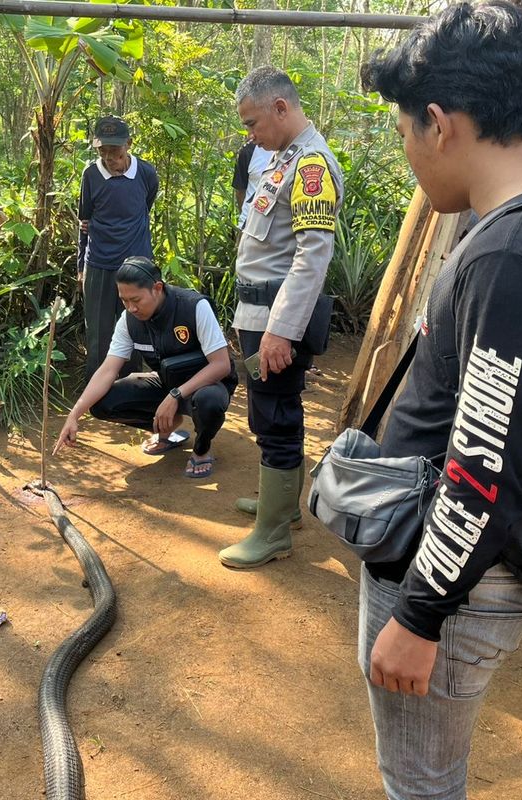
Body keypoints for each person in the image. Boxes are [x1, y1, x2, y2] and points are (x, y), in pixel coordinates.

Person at [357, 3, 522, 796]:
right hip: (458, 568)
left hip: (451, 580)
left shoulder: (516, 256)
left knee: (421, 785)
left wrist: (420, 613)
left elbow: (485, 461)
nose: (410, 158)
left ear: (439, 124)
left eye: (404, 136)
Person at [218, 66, 343, 569]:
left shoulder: (311, 165)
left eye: (252, 123)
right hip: (259, 311)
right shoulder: (282, 159)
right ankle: (283, 505)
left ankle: (272, 534)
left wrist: (280, 331)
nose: (250, 134)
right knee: (270, 408)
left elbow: (312, 256)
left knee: (274, 414)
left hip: (276, 316)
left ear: (280, 108)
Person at [54, 257, 237, 479]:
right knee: (101, 403)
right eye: (124, 301)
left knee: (209, 403)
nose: (131, 308)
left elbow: (221, 364)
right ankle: (167, 427)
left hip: (207, 383)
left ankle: (201, 449)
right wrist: (74, 414)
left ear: (157, 288)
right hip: (167, 380)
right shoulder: (128, 320)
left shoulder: (194, 306)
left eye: (136, 300)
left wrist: (176, 395)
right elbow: (108, 369)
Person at [77, 115, 160, 377]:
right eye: (102, 150)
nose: (108, 157)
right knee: (98, 336)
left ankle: (131, 389)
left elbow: (145, 206)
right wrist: (80, 267)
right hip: (99, 265)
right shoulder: (91, 175)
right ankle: (98, 392)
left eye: (114, 150)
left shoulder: (146, 173)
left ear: (129, 144)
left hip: (137, 267)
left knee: (136, 330)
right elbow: (85, 220)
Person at [232, 138, 273, 230]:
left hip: (281, 228)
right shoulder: (247, 150)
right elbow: (240, 191)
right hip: (249, 224)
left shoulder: (296, 148)